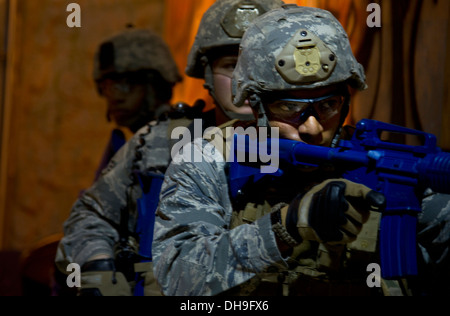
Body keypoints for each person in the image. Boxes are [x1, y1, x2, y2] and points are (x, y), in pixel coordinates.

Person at [153, 4, 450, 296]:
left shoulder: (388, 166)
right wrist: (287, 225)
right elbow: (179, 278)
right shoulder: (212, 160)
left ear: (345, 101)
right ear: (256, 107)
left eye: (328, 105)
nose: (312, 128)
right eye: (288, 107)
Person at [55, 0, 284, 296]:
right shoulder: (160, 142)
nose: (245, 78)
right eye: (230, 65)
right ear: (207, 76)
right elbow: (92, 215)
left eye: (262, 62)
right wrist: (99, 267)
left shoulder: (315, 143)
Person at [90, 27, 182, 182]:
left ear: (155, 87)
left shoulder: (183, 142)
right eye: (107, 87)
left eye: (127, 84)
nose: (115, 97)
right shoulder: (124, 149)